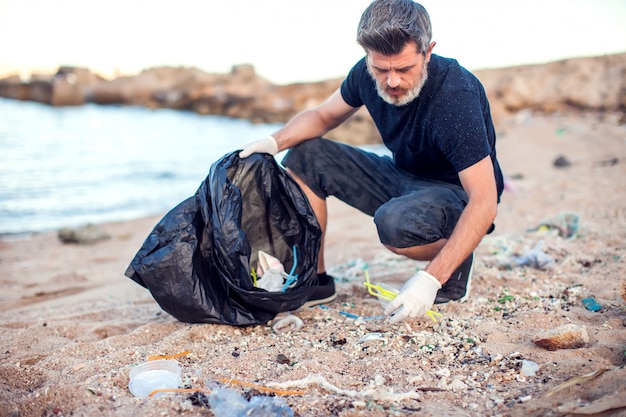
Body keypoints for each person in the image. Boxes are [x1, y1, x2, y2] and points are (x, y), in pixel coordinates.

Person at [239, 0, 504, 323]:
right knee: (306, 155)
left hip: (455, 194)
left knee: (394, 224)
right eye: (381, 69)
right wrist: (272, 142)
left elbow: (484, 200)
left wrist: (429, 281)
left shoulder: (455, 94)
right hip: (403, 177)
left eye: (404, 69)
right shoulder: (365, 74)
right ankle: (317, 281)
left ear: (428, 51)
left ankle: (454, 264)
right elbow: (323, 116)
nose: (391, 81)